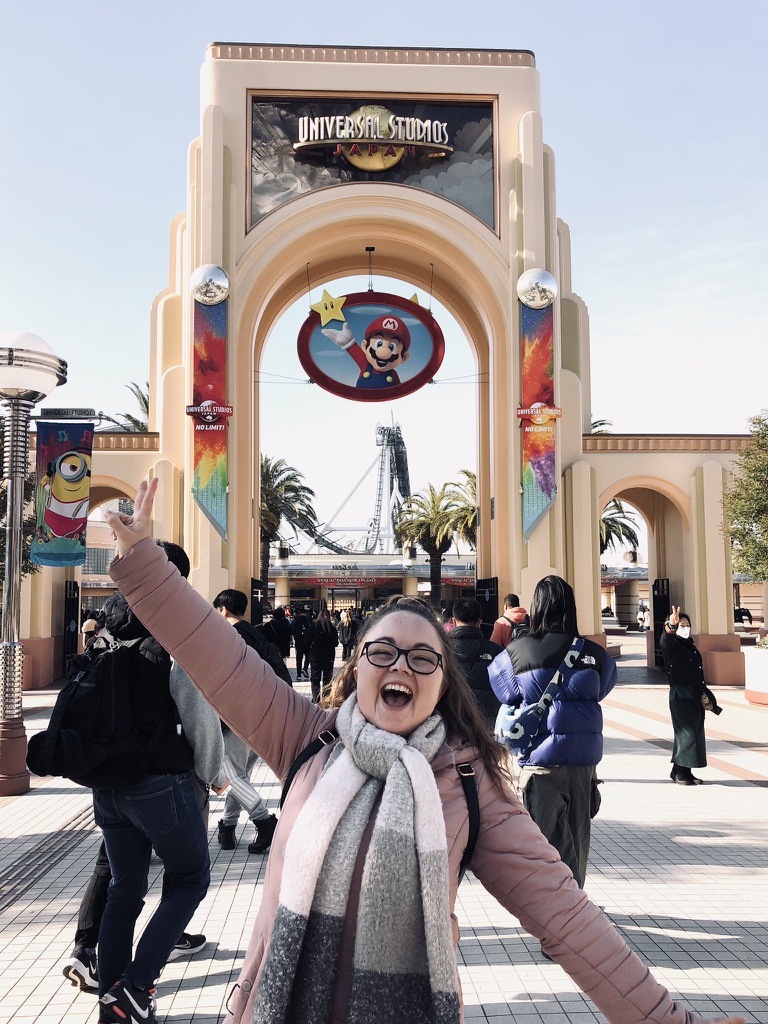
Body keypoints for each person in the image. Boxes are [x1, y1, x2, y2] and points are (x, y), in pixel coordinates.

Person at [101, 478, 744, 1024]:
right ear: (356, 670)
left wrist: (668, 1018)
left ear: (441, 682)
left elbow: (569, 920)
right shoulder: (305, 736)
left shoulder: (469, 780)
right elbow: (214, 655)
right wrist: (141, 557)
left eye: (421, 656)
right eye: (381, 651)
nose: (398, 665)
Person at [88, 543, 212, 1023]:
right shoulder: (173, 625)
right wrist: (213, 771)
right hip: (160, 781)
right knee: (189, 878)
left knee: (125, 889)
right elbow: (197, 712)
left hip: (108, 784)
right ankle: (136, 987)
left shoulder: (109, 624)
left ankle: (112, 1006)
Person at [489, 575, 616, 897]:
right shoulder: (595, 653)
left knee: (542, 843)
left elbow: (504, 693)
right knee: (577, 839)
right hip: (582, 764)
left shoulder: (516, 653)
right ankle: (573, 907)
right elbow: (602, 690)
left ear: (536, 607)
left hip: (538, 763)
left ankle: (559, 913)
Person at [212, 588, 282, 853]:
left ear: (223, 610)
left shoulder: (228, 637)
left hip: (237, 716)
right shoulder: (257, 633)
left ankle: (264, 821)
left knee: (231, 774)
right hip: (263, 715)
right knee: (240, 774)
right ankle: (228, 828)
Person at [660, 606, 709, 785]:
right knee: (685, 733)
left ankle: (683, 771)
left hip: (695, 693)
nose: (685, 627)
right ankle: (680, 771)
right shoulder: (672, 645)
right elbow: (666, 641)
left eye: (687, 624)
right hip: (680, 694)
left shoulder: (691, 645)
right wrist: (671, 627)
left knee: (695, 733)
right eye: (682, 624)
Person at [448, 597, 504, 728]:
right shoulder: (497, 651)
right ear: (479, 623)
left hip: (452, 722)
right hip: (489, 724)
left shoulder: (441, 649)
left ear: (454, 621)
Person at [307, 607, 338, 703]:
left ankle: (316, 698)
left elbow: (306, 641)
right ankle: (326, 699)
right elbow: (335, 643)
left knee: (315, 679)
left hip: (315, 657)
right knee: (327, 679)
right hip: (328, 657)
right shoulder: (331, 629)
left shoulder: (313, 627)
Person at [291, 605, 313, 680]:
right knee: (308, 656)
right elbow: (313, 630)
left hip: (298, 642)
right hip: (307, 642)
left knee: (299, 658)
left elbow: (291, 631)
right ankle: (305, 668)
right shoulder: (309, 620)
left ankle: (298, 674)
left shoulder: (295, 621)